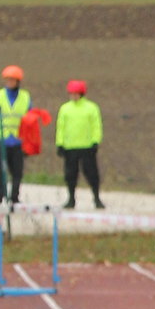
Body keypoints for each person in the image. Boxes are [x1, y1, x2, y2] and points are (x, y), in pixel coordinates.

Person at [55, 79, 104, 211]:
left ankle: (97, 198)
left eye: (75, 93)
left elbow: (96, 126)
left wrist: (95, 141)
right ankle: (71, 199)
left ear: (82, 94)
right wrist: (60, 143)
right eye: (71, 93)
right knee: (70, 175)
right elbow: (61, 127)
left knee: (92, 174)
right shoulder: (65, 108)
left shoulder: (91, 108)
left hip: (87, 147)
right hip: (70, 147)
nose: (73, 96)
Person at [0, 66, 30, 208]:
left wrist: (29, 142)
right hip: (1, 141)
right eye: (7, 80)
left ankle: (14, 197)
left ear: (18, 81)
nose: (9, 82)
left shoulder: (25, 97)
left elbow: (30, 121)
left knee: (17, 172)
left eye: (12, 80)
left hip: (18, 141)